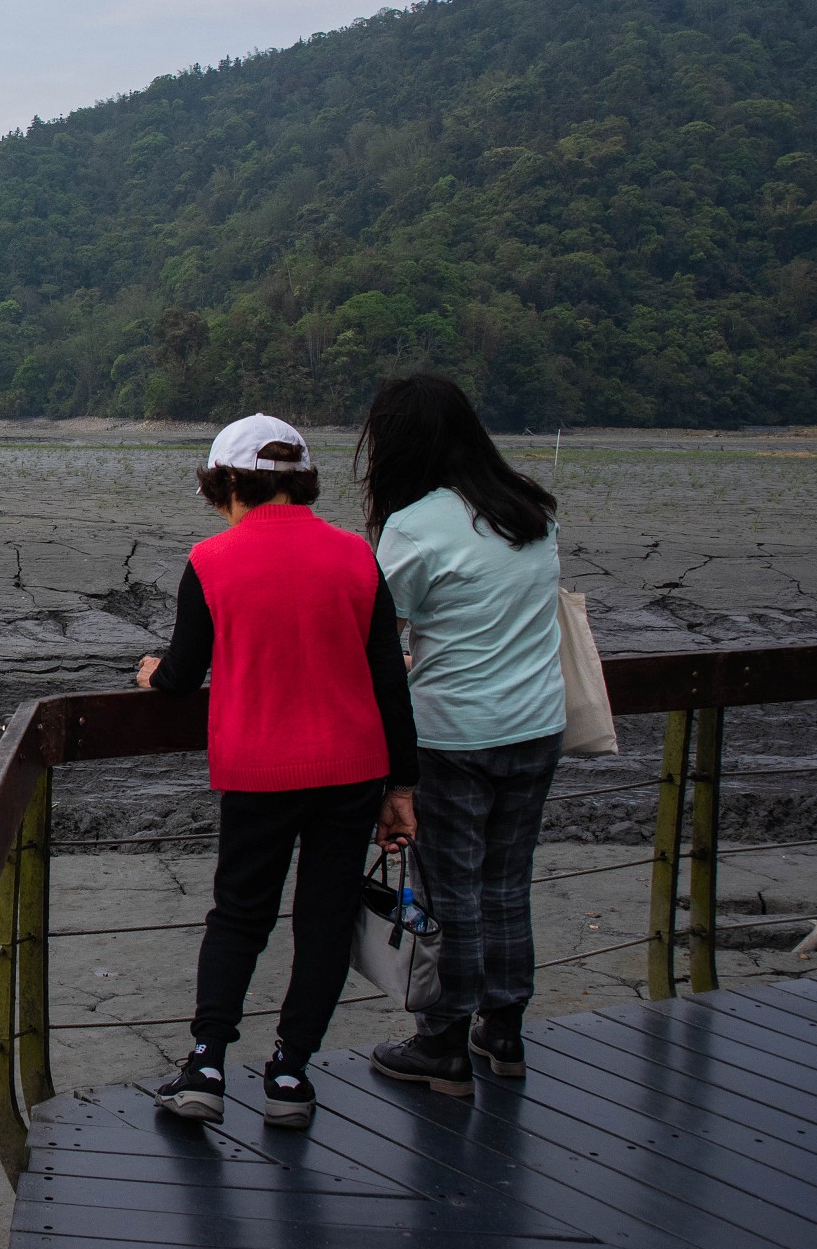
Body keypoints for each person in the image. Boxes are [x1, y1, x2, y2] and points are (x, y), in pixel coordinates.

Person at [139, 414, 417, 1130]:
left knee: (239, 916)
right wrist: (402, 787)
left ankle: (206, 1063)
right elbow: (390, 682)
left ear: (226, 482)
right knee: (323, 922)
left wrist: (149, 676)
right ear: (300, 479)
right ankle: (290, 1073)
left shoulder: (210, 561)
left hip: (259, 767)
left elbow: (181, 675)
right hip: (352, 767)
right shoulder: (357, 557)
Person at [357, 375, 564, 1097]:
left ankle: (442, 1040)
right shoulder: (529, 512)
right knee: (507, 883)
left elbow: (378, 631)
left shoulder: (415, 526)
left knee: (452, 892)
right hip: (537, 723)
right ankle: (501, 1032)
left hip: (453, 733)